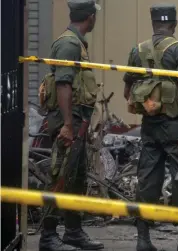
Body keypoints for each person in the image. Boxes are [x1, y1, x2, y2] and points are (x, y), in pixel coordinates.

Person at [123, 3, 178, 251]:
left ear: (153, 24)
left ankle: (143, 241)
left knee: (146, 179)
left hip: (149, 125)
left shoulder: (137, 51)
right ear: (174, 25)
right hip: (174, 126)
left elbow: (127, 91)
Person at [38, 0, 104, 251]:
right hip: (69, 119)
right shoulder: (68, 44)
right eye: (94, 16)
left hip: (78, 120)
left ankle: (73, 232)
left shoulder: (77, 43)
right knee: (59, 175)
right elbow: (64, 84)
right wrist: (67, 125)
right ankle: (48, 236)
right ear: (89, 17)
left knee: (75, 177)